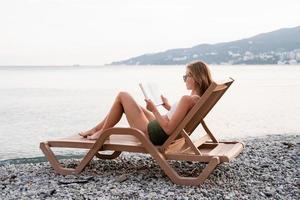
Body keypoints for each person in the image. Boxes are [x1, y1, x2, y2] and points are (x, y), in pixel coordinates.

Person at [79, 60, 213, 145]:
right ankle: (97, 129)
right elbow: (181, 117)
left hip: (154, 134)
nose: (184, 79)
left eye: (186, 76)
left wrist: (154, 109)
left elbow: (168, 129)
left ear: (195, 78)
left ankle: (102, 132)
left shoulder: (187, 99)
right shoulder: (196, 99)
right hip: (159, 126)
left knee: (122, 96)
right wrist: (168, 107)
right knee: (132, 104)